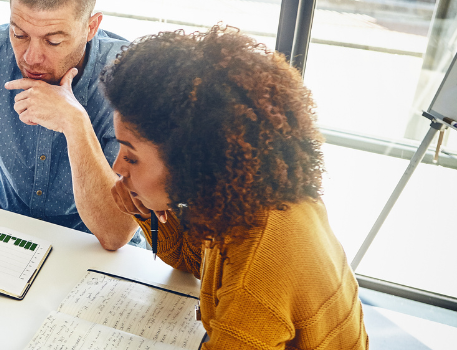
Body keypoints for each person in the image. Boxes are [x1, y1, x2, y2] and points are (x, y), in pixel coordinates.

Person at [103, 25, 368, 348]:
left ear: (189, 159)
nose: (117, 167)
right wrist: (148, 210)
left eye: (131, 157)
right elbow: (194, 261)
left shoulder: (257, 271)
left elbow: (243, 291)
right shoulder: (248, 200)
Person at [0, 0, 140, 259]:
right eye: (19, 34)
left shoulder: (130, 78)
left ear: (91, 27)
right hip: (7, 232)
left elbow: (115, 234)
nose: (30, 58)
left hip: (94, 249)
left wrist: (75, 123)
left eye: (53, 41)